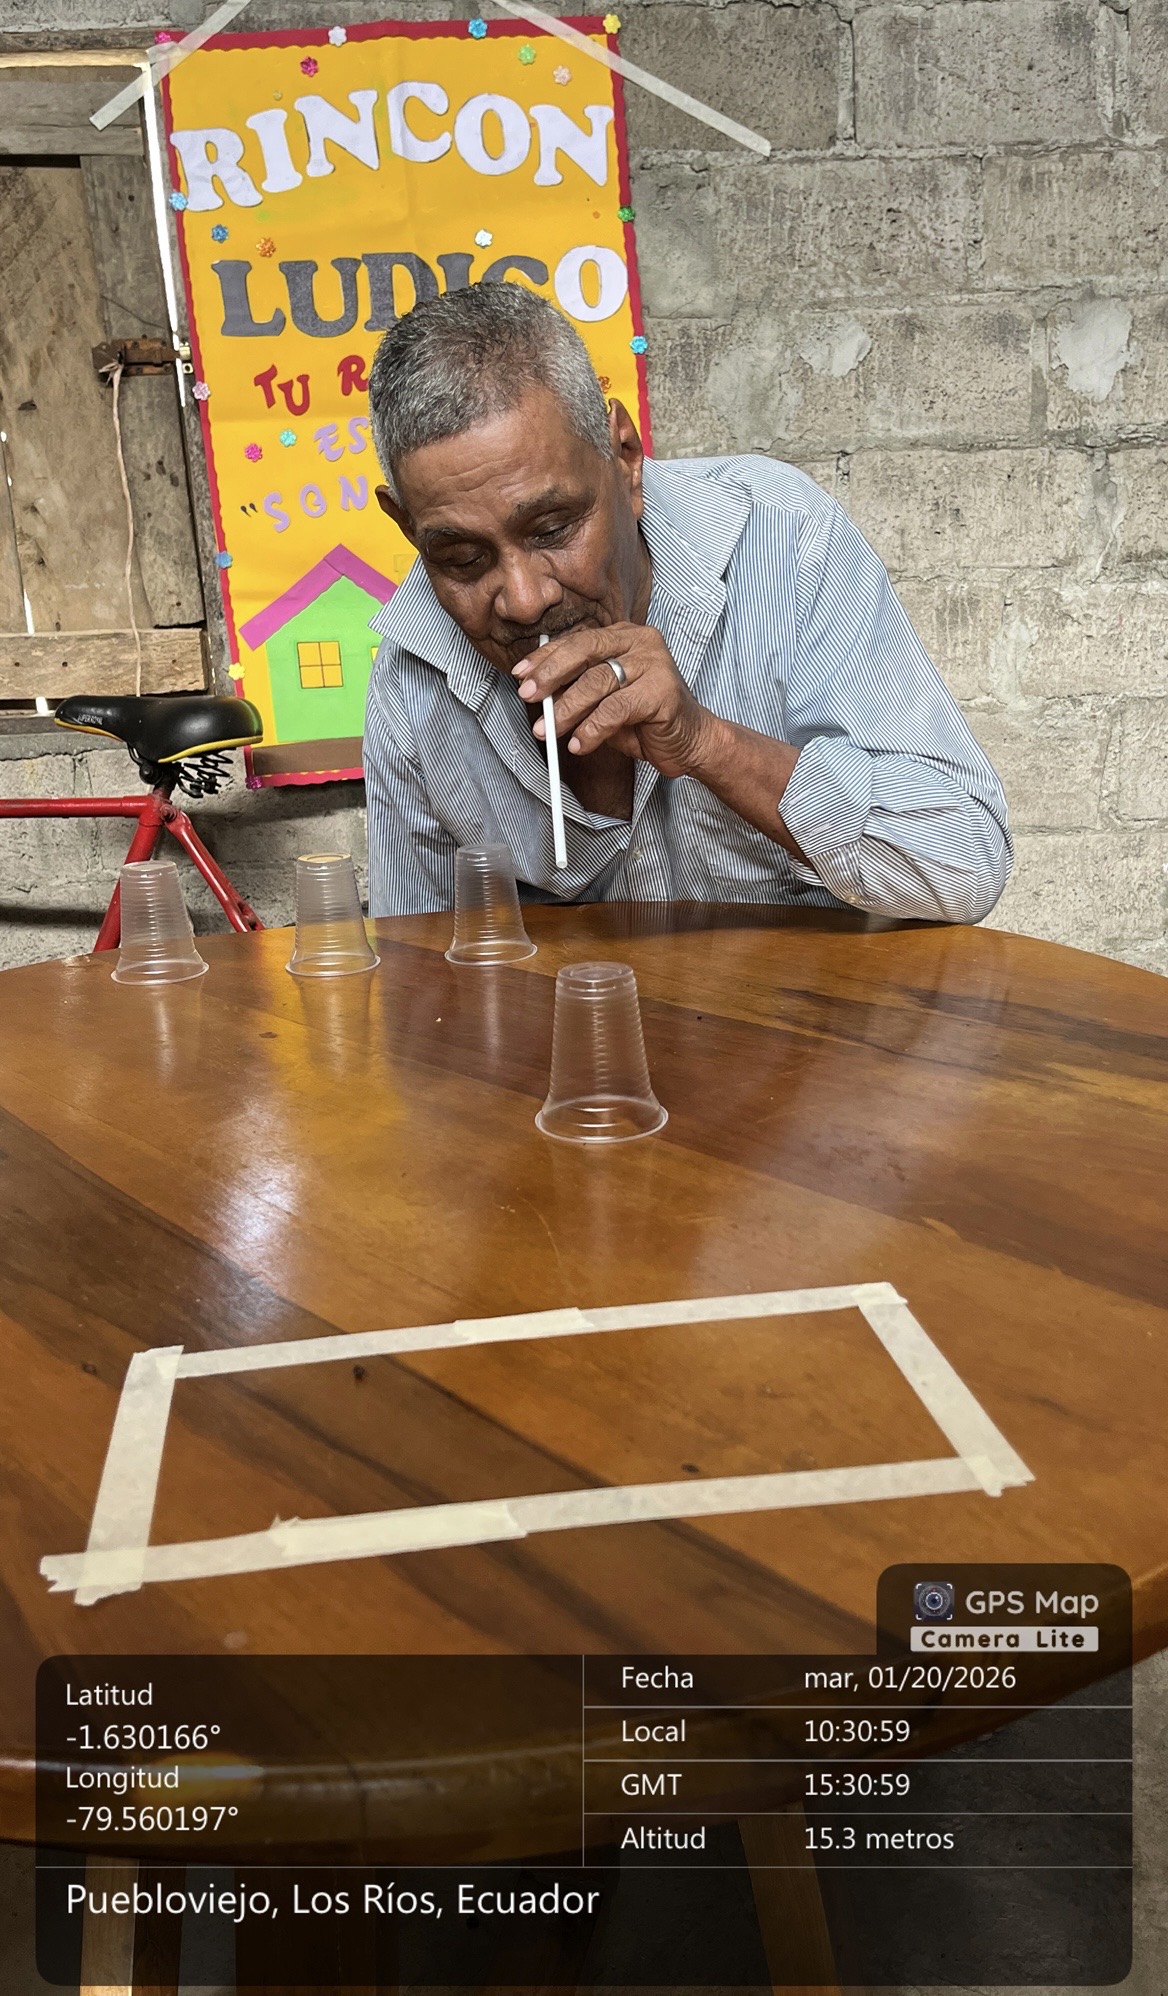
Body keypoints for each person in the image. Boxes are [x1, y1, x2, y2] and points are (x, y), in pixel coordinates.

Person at [363, 283, 1010, 923]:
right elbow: (412, 965)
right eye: (463, 560)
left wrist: (709, 743)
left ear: (625, 459)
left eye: (554, 528)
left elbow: (968, 867)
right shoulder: (413, 673)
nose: (526, 601)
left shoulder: (783, 538)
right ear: (407, 527)